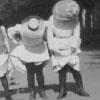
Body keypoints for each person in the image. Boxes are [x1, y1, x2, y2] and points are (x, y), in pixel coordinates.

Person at [46, 0, 90, 99]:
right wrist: (52, 47)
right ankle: (62, 90)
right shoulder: (52, 19)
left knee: (75, 68)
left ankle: (81, 88)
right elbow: (49, 35)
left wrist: (74, 45)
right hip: (58, 45)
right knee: (61, 69)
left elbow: (77, 32)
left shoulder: (74, 18)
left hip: (71, 44)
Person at [7, 16, 49, 100]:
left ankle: (42, 91)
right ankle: (32, 92)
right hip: (27, 51)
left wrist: (46, 36)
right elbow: (10, 31)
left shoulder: (42, 25)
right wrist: (18, 39)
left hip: (39, 51)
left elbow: (50, 24)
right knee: (30, 73)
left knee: (39, 72)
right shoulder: (21, 28)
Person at [0, 20, 12, 100]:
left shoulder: (2, 28)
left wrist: (7, 50)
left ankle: (7, 94)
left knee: (2, 75)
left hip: (1, 53)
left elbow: (5, 39)